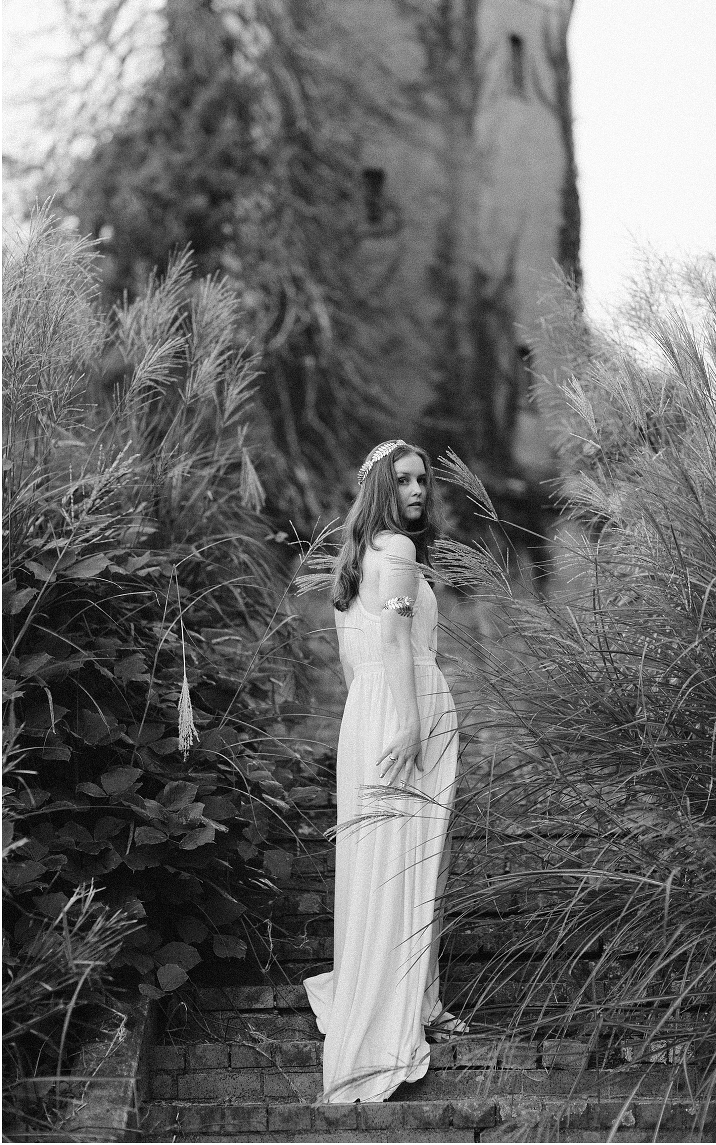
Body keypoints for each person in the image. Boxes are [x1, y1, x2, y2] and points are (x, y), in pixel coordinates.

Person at [303, 439, 466, 1104]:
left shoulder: (351, 566)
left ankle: (415, 997)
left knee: (387, 864)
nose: (418, 489)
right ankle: (406, 1011)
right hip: (406, 714)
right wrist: (408, 721)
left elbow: (354, 663)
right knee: (416, 865)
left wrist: (378, 720)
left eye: (422, 478)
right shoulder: (398, 552)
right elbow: (400, 643)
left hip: (363, 719)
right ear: (379, 489)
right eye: (403, 480)